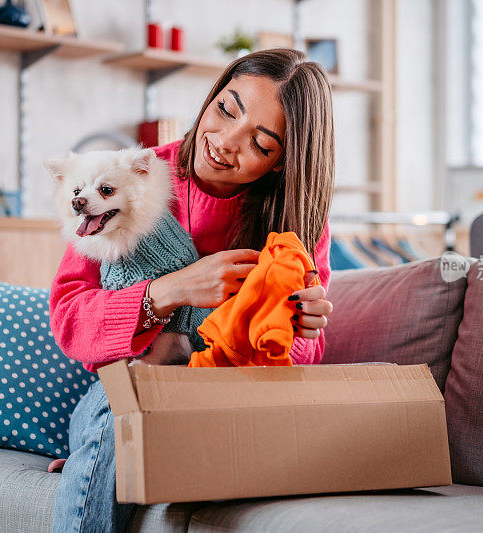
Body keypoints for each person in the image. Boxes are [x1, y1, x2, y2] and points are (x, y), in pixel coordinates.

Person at [49, 48, 335, 533]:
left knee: (126, 440)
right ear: (213, 94)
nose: (224, 142)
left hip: (223, 402)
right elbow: (69, 316)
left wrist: (299, 326)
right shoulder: (128, 178)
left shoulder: (297, 219)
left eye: (261, 144)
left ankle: (105, 457)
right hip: (128, 388)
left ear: (283, 164)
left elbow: (303, 356)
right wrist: (168, 291)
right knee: (123, 423)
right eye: (226, 109)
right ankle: (107, 453)